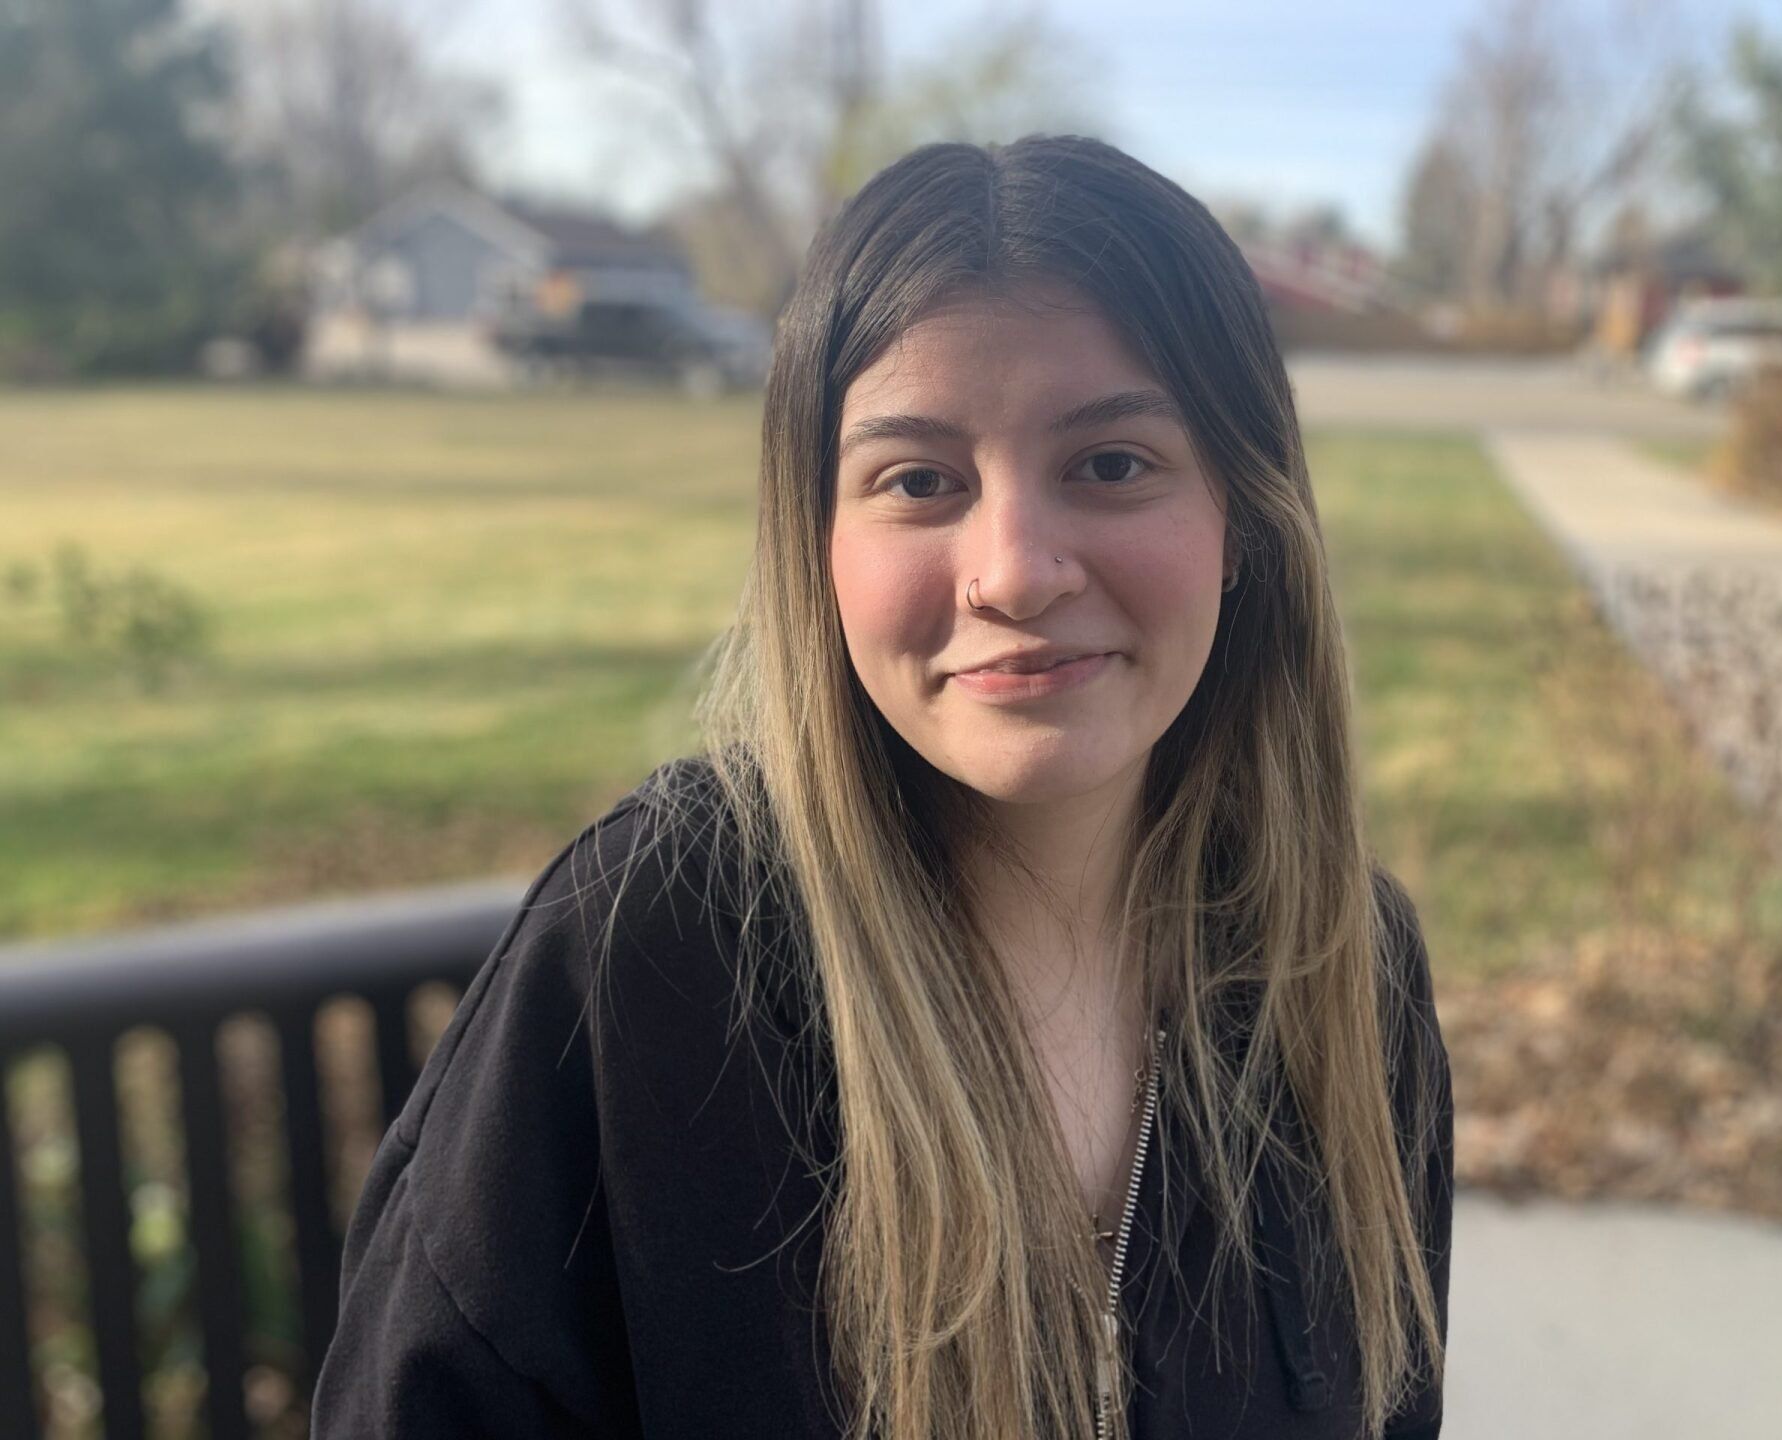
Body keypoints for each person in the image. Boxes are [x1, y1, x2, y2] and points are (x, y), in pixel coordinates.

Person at [310, 133, 1452, 1440]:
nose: (1015, 570)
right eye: (919, 480)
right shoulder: (646, 960)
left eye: (1112, 463)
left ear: (1242, 518)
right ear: (822, 546)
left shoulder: (1350, 976)